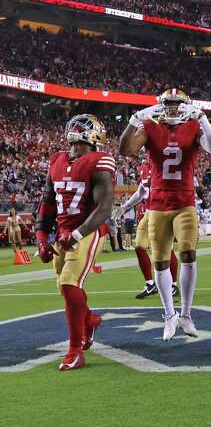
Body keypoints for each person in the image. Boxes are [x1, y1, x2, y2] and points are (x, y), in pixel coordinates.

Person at [118, 88, 211, 341]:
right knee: (161, 261)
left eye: (178, 104)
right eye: (169, 104)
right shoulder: (151, 127)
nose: (173, 109)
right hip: (157, 205)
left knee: (188, 255)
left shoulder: (194, 127)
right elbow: (125, 150)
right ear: (161, 106)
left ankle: (185, 313)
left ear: (185, 106)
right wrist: (134, 120)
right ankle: (169, 315)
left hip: (185, 202)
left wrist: (204, 119)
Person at [34, 114, 114, 371]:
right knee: (65, 288)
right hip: (63, 233)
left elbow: (103, 209)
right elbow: (47, 202)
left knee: (70, 283)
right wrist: (41, 238)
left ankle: (75, 350)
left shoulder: (100, 161)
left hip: (88, 230)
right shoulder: (57, 159)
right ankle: (89, 321)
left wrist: (78, 234)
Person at [112, 160, 179, 299]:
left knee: (166, 250)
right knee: (139, 247)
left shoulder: (165, 166)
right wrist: (124, 207)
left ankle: (173, 285)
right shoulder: (144, 168)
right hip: (149, 213)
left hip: (163, 212)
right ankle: (150, 284)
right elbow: (140, 192)